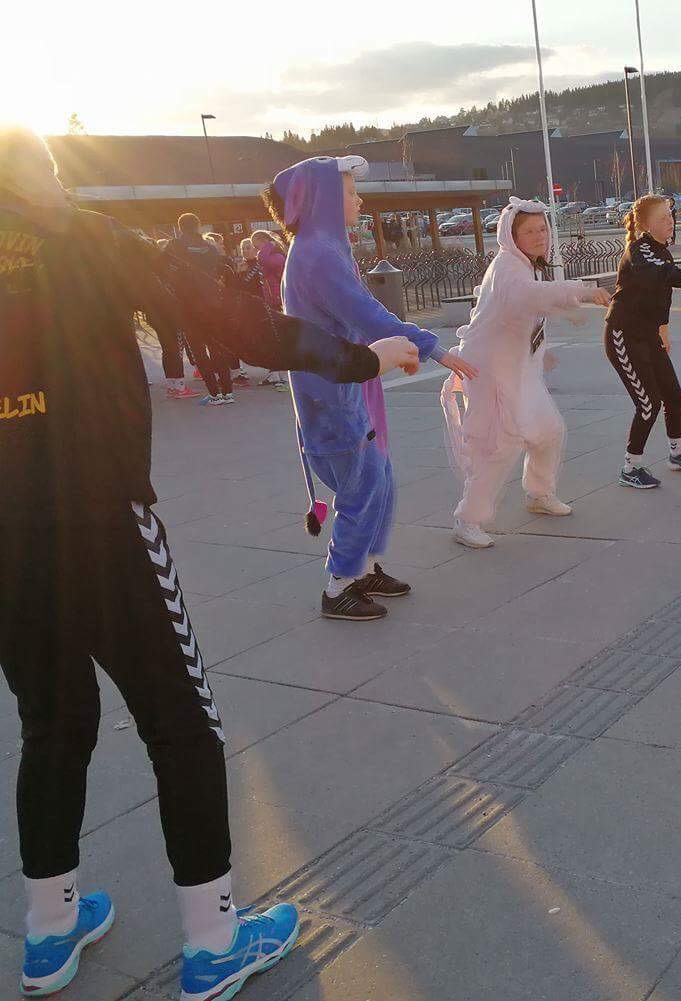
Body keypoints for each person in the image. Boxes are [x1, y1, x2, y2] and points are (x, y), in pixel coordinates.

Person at [0, 125, 423, 1001]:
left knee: (52, 722)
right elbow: (234, 322)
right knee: (182, 722)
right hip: (100, 518)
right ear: (46, 173)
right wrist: (360, 357)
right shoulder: (89, 237)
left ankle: (48, 926)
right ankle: (213, 937)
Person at [262, 154, 479, 620]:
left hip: (348, 380)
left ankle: (364, 567)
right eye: (349, 192)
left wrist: (402, 350)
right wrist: (429, 346)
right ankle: (340, 584)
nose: (359, 200)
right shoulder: (318, 252)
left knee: (378, 477)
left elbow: (360, 316)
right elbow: (367, 313)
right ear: (322, 199)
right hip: (331, 389)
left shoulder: (321, 247)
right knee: (362, 483)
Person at [441, 198, 611, 548]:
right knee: (499, 445)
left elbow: (524, 315)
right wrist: (582, 292)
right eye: (530, 231)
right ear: (512, 236)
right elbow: (528, 296)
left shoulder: (526, 266)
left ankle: (539, 493)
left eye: (542, 229)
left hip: (517, 370)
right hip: (491, 372)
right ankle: (467, 519)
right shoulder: (508, 266)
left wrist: (539, 355)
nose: (539, 236)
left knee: (548, 430)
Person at [603, 194, 681, 488]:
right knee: (648, 403)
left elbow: (660, 297)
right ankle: (630, 467)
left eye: (671, 216)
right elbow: (662, 274)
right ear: (646, 225)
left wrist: (663, 331)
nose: (671, 222)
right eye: (663, 218)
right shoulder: (639, 251)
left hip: (648, 334)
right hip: (623, 335)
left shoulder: (661, 251)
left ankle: (676, 454)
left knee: (673, 394)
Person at [166, 214, 235, 405]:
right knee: (217, 347)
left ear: (180, 227)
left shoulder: (174, 246)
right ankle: (228, 393)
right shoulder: (210, 247)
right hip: (213, 303)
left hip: (188, 305)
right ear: (198, 226)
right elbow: (221, 268)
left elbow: (165, 270)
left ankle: (214, 394)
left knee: (198, 350)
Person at [250, 230, 290, 387]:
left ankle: (284, 376)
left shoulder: (275, 256)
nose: (256, 250)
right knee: (274, 337)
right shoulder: (273, 254)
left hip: (277, 298)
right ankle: (276, 374)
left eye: (256, 245)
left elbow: (263, 259)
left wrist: (268, 245)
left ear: (263, 241)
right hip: (273, 298)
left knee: (279, 337)